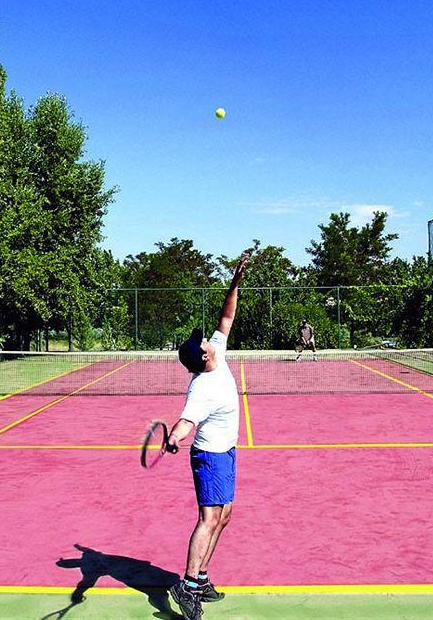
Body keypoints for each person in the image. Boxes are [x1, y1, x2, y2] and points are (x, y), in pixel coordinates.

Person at [166, 252, 248, 620]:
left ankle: (199, 578)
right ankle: (186, 585)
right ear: (202, 357)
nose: (208, 340)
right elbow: (186, 422)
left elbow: (227, 316)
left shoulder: (220, 352)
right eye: (203, 342)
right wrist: (174, 436)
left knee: (225, 515)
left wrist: (235, 280)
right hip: (209, 457)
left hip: (226, 452)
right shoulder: (200, 388)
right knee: (209, 517)